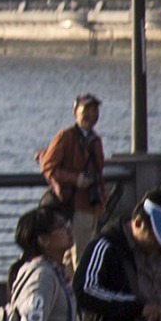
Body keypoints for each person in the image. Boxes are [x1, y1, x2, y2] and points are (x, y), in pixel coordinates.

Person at [38, 95, 110, 252]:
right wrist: (76, 180)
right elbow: (48, 167)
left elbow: (99, 172)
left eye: (95, 110)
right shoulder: (66, 136)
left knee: (81, 255)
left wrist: (102, 200)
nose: (92, 115)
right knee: (80, 255)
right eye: (87, 110)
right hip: (74, 207)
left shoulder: (96, 140)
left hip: (92, 206)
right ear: (75, 112)